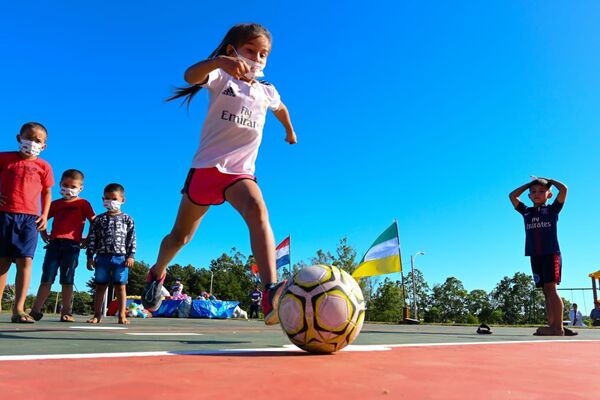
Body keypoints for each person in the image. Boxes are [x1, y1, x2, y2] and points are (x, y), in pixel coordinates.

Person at [141, 23, 297, 326]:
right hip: (206, 169)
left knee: (257, 210)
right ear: (232, 50)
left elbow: (281, 109)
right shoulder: (220, 75)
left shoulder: (267, 91)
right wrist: (217, 63)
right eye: (250, 50)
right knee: (180, 237)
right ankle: (157, 272)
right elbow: (190, 76)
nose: (256, 58)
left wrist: (290, 131)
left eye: (263, 54)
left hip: (240, 174)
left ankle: (270, 291)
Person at [0, 122, 54, 323]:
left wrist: (44, 215)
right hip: (4, 215)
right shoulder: (4, 158)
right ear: (18, 138)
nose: (32, 143)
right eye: (28, 138)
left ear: (44, 146)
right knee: (2, 261)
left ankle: (19, 309)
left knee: (26, 261)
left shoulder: (44, 166)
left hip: (30, 219)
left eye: (37, 140)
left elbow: (47, 191)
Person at [509, 177, 576, 336]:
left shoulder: (552, 210)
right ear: (529, 196)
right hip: (535, 254)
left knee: (551, 288)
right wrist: (528, 185)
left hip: (550, 253)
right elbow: (512, 196)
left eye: (541, 191)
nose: (537, 194)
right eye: (533, 192)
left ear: (549, 195)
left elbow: (564, 189)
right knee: (545, 291)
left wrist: (550, 181)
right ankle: (552, 324)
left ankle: (557, 328)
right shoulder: (526, 211)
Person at [29, 169, 95, 322]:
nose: (68, 189)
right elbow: (43, 218)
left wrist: (87, 239)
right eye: (65, 185)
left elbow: (94, 221)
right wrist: (44, 234)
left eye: (73, 186)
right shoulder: (55, 204)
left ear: (80, 188)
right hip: (54, 245)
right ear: (60, 184)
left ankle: (66, 312)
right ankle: (35, 310)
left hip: (72, 246)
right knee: (47, 277)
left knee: (67, 279)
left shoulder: (83, 203)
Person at [86, 183, 136, 324]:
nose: (110, 202)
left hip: (121, 258)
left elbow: (132, 239)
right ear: (103, 199)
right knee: (100, 286)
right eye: (107, 198)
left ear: (122, 200)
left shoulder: (128, 219)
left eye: (114, 198)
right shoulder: (98, 219)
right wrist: (90, 256)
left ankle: (122, 316)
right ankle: (97, 315)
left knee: (120, 286)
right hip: (102, 257)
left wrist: (131, 256)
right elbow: (92, 239)